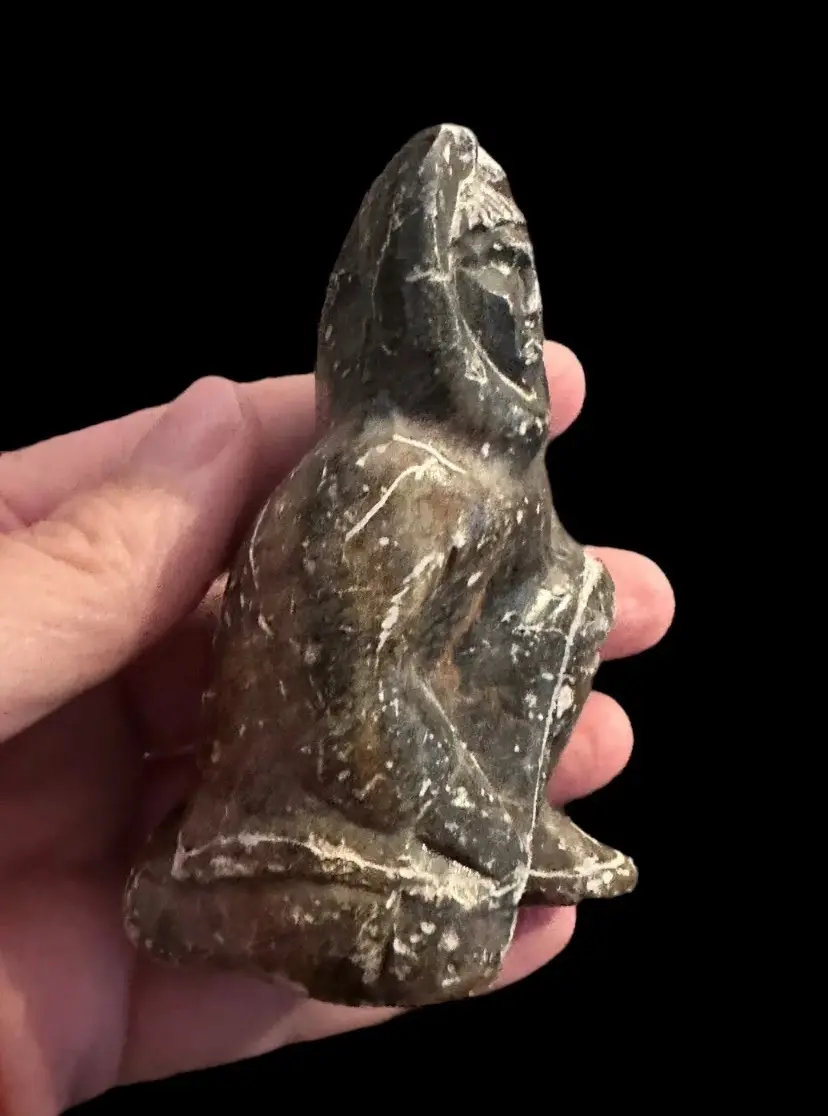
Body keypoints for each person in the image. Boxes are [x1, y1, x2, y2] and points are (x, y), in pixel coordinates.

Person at [0, 342, 674, 1114]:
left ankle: (493, 835)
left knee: (579, 588)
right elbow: (353, 705)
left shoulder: (491, 485)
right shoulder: (386, 475)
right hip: (322, 811)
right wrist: (482, 826)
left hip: (398, 796)